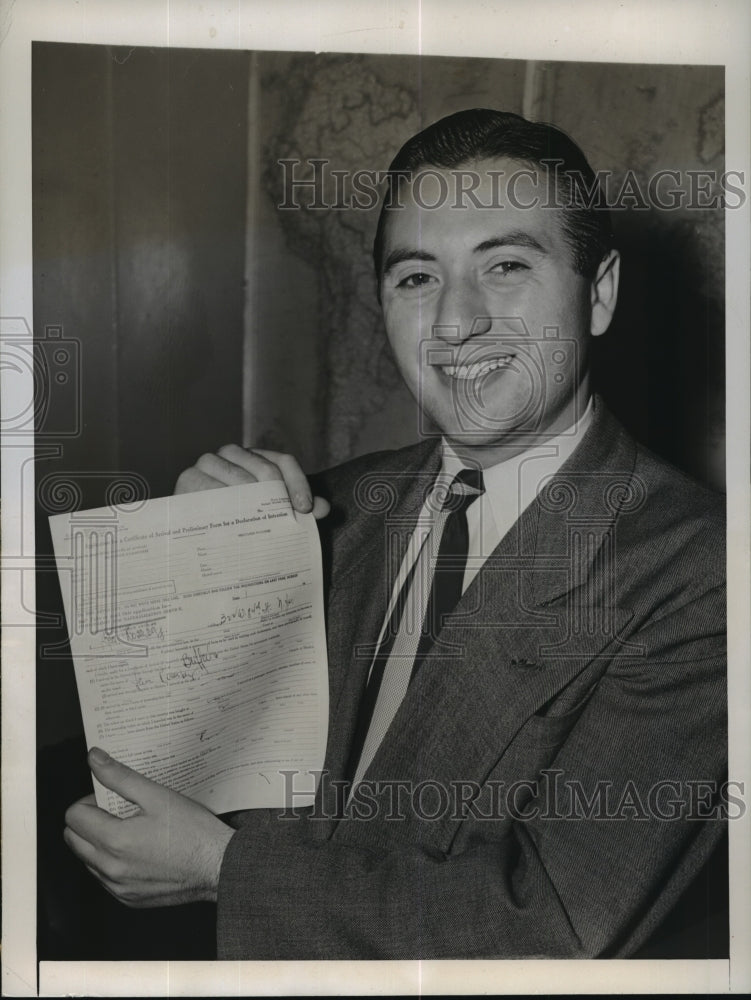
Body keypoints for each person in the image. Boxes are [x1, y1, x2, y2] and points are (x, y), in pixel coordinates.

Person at [63, 109, 727, 959]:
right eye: (416, 278)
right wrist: (197, 568)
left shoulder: (702, 571)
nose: (455, 323)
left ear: (596, 293)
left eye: (507, 266)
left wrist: (230, 872)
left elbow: (554, 924)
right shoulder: (326, 507)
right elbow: (155, 810)